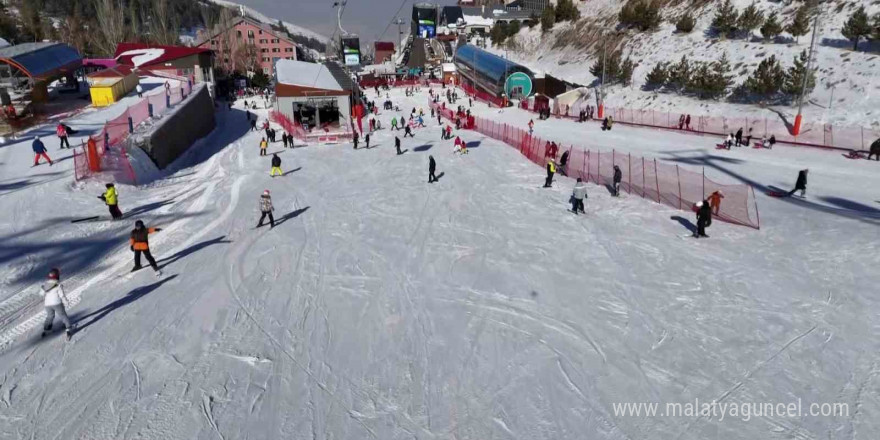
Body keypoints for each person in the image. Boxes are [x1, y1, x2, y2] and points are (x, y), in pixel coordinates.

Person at [37, 268, 73, 339]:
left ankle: (47, 329)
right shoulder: (58, 285)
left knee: (50, 316)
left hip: (47, 304)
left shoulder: (45, 284)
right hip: (57, 303)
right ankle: (68, 328)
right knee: (63, 315)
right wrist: (66, 302)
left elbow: (41, 294)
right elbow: (62, 295)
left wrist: (43, 288)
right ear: (57, 276)